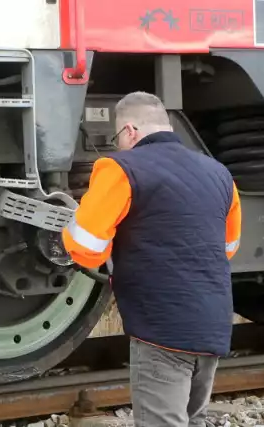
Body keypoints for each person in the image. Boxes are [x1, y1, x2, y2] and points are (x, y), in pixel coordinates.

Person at [61, 91, 242, 427]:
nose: (117, 145)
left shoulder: (120, 168)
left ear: (130, 131)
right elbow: (228, 245)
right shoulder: (219, 173)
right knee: (193, 420)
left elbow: (85, 244)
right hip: (213, 324)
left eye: (117, 138)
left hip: (162, 329)